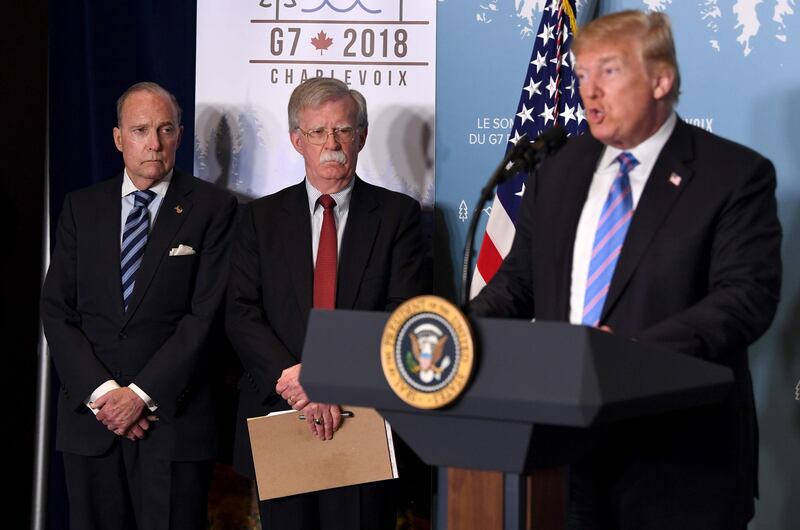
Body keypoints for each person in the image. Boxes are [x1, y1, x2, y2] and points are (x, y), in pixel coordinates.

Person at [470, 10, 781, 530]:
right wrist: (454, 328)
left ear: (662, 80)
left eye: (608, 72)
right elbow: (520, 283)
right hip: (562, 455)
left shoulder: (733, 175)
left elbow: (744, 299)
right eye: (581, 74)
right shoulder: (558, 171)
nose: (590, 91)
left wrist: (629, 354)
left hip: (679, 461)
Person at [226, 76, 426, 530]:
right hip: (282, 407)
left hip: (363, 413)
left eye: (343, 129)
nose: (331, 143)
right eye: (318, 132)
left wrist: (332, 377)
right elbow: (241, 311)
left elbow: (403, 312)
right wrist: (297, 381)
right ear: (298, 140)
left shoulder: (398, 217)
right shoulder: (258, 219)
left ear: (362, 136)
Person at [41, 82, 237, 530]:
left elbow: (206, 316)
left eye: (166, 130)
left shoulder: (213, 208)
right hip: (92, 425)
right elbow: (58, 310)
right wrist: (106, 395)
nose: (154, 143)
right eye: (141, 130)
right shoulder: (81, 207)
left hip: (173, 424)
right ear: (117, 138)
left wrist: (141, 396)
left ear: (180, 135)